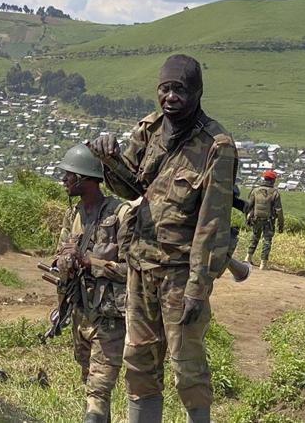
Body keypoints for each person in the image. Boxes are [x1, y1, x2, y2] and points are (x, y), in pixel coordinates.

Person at [90, 54, 236, 423]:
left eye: (179, 90)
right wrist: (109, 160)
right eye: (164, 89)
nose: (170, 97)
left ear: (198, 92)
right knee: (138, 359)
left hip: (180, 273)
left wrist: (197, 288)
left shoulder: (217, 146)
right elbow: (130, 188)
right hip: (140, 266)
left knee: (186, 364)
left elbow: (212, 223)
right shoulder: (150, 129)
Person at [53, 144, 129, 423]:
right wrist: (64, 262)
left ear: (85, 179)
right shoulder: (73, 215)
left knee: (98, 391)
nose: (64, 181)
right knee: (89, 382)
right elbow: (61, 254)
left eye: (69, 175)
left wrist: (90, 263)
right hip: (81, 312)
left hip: (109, 318)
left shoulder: (120, 214)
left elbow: (134, 271)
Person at [244, 170, 284, 270]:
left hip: (256, 219)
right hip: (269, 221)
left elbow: (248, 206)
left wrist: (247, 218)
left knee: (254, 238)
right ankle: (263, 264)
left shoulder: (255, 190)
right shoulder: (275, 193)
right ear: (273, 180)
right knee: (267, 241)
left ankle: (248, 258)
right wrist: (281, 224)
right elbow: (279, 210)